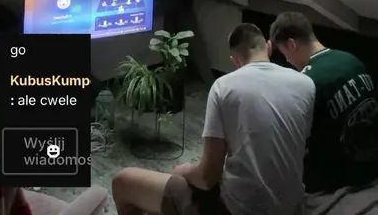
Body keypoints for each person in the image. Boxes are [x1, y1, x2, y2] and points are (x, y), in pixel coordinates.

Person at [112, 23, 315, 215]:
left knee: (123, 181)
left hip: (235, 209)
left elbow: (207, 178)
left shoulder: (223, 87)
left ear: (235, 61)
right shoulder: (306, 84)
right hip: (292, 208)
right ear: (268, 47)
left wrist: (185, 170)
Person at [269, 11, 378, 194]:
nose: (287, 60)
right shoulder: (351, 59)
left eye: (284, 53)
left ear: (292, 44)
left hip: (339, 185)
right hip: (371, 168)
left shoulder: (306, 81)